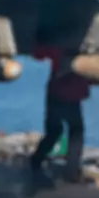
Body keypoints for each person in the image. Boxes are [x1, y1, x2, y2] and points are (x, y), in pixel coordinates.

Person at [25, 44, 88, 189]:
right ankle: (71, 172)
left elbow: (39, 53)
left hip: (57, 91)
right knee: (76, 132)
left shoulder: (62, 43)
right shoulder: (84, 49)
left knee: (55, 131)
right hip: (72, 93)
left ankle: (36, 161)